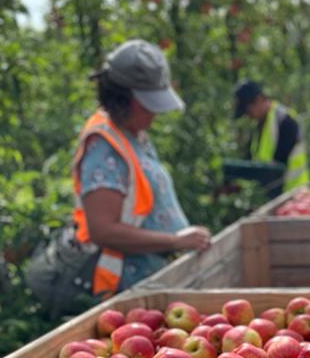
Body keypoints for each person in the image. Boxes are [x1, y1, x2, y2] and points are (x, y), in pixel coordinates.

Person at [72, 39, 211, 297]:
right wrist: (174, 241)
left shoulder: (133, 134)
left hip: (158, 282)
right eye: (147, 104)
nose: (154, 114)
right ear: (123, 99)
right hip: (132, 292)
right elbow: (102, 230)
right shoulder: (104, 148)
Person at [232, 80, 310, 193]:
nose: (248, 116)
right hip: (271, 197)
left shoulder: (284, 121)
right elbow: (253, 160)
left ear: (259, 100)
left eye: (248, 111)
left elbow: (278, 167)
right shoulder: (260, 124)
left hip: (293, 195)